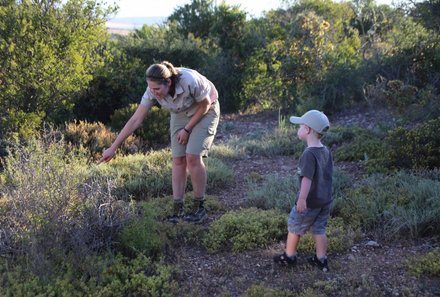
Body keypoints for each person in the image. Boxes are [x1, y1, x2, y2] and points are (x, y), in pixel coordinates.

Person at [98, 61, 220, 224]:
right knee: (178, 159)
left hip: (205, 109)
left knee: (192, 157)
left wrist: (187, 129)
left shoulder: (189, 80)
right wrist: (113, 148)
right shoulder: (152, 90)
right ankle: (178, 210)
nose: (154, 93)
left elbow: (205, 105)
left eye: (157, 89)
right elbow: (135, 119)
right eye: (151, 88)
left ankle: (200, 208)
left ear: (168, 82)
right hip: (180, 112)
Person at [273, 110, 333, 272]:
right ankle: (321, 260)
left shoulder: (308, 154)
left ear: (307, 130)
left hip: (310, 201)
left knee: (294, 226)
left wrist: (302, 199)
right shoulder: (325, 150)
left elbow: (307, 179)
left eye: (299, 126)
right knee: (319, 229)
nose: (297, 129)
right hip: (324, 200)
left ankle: (289, 256)